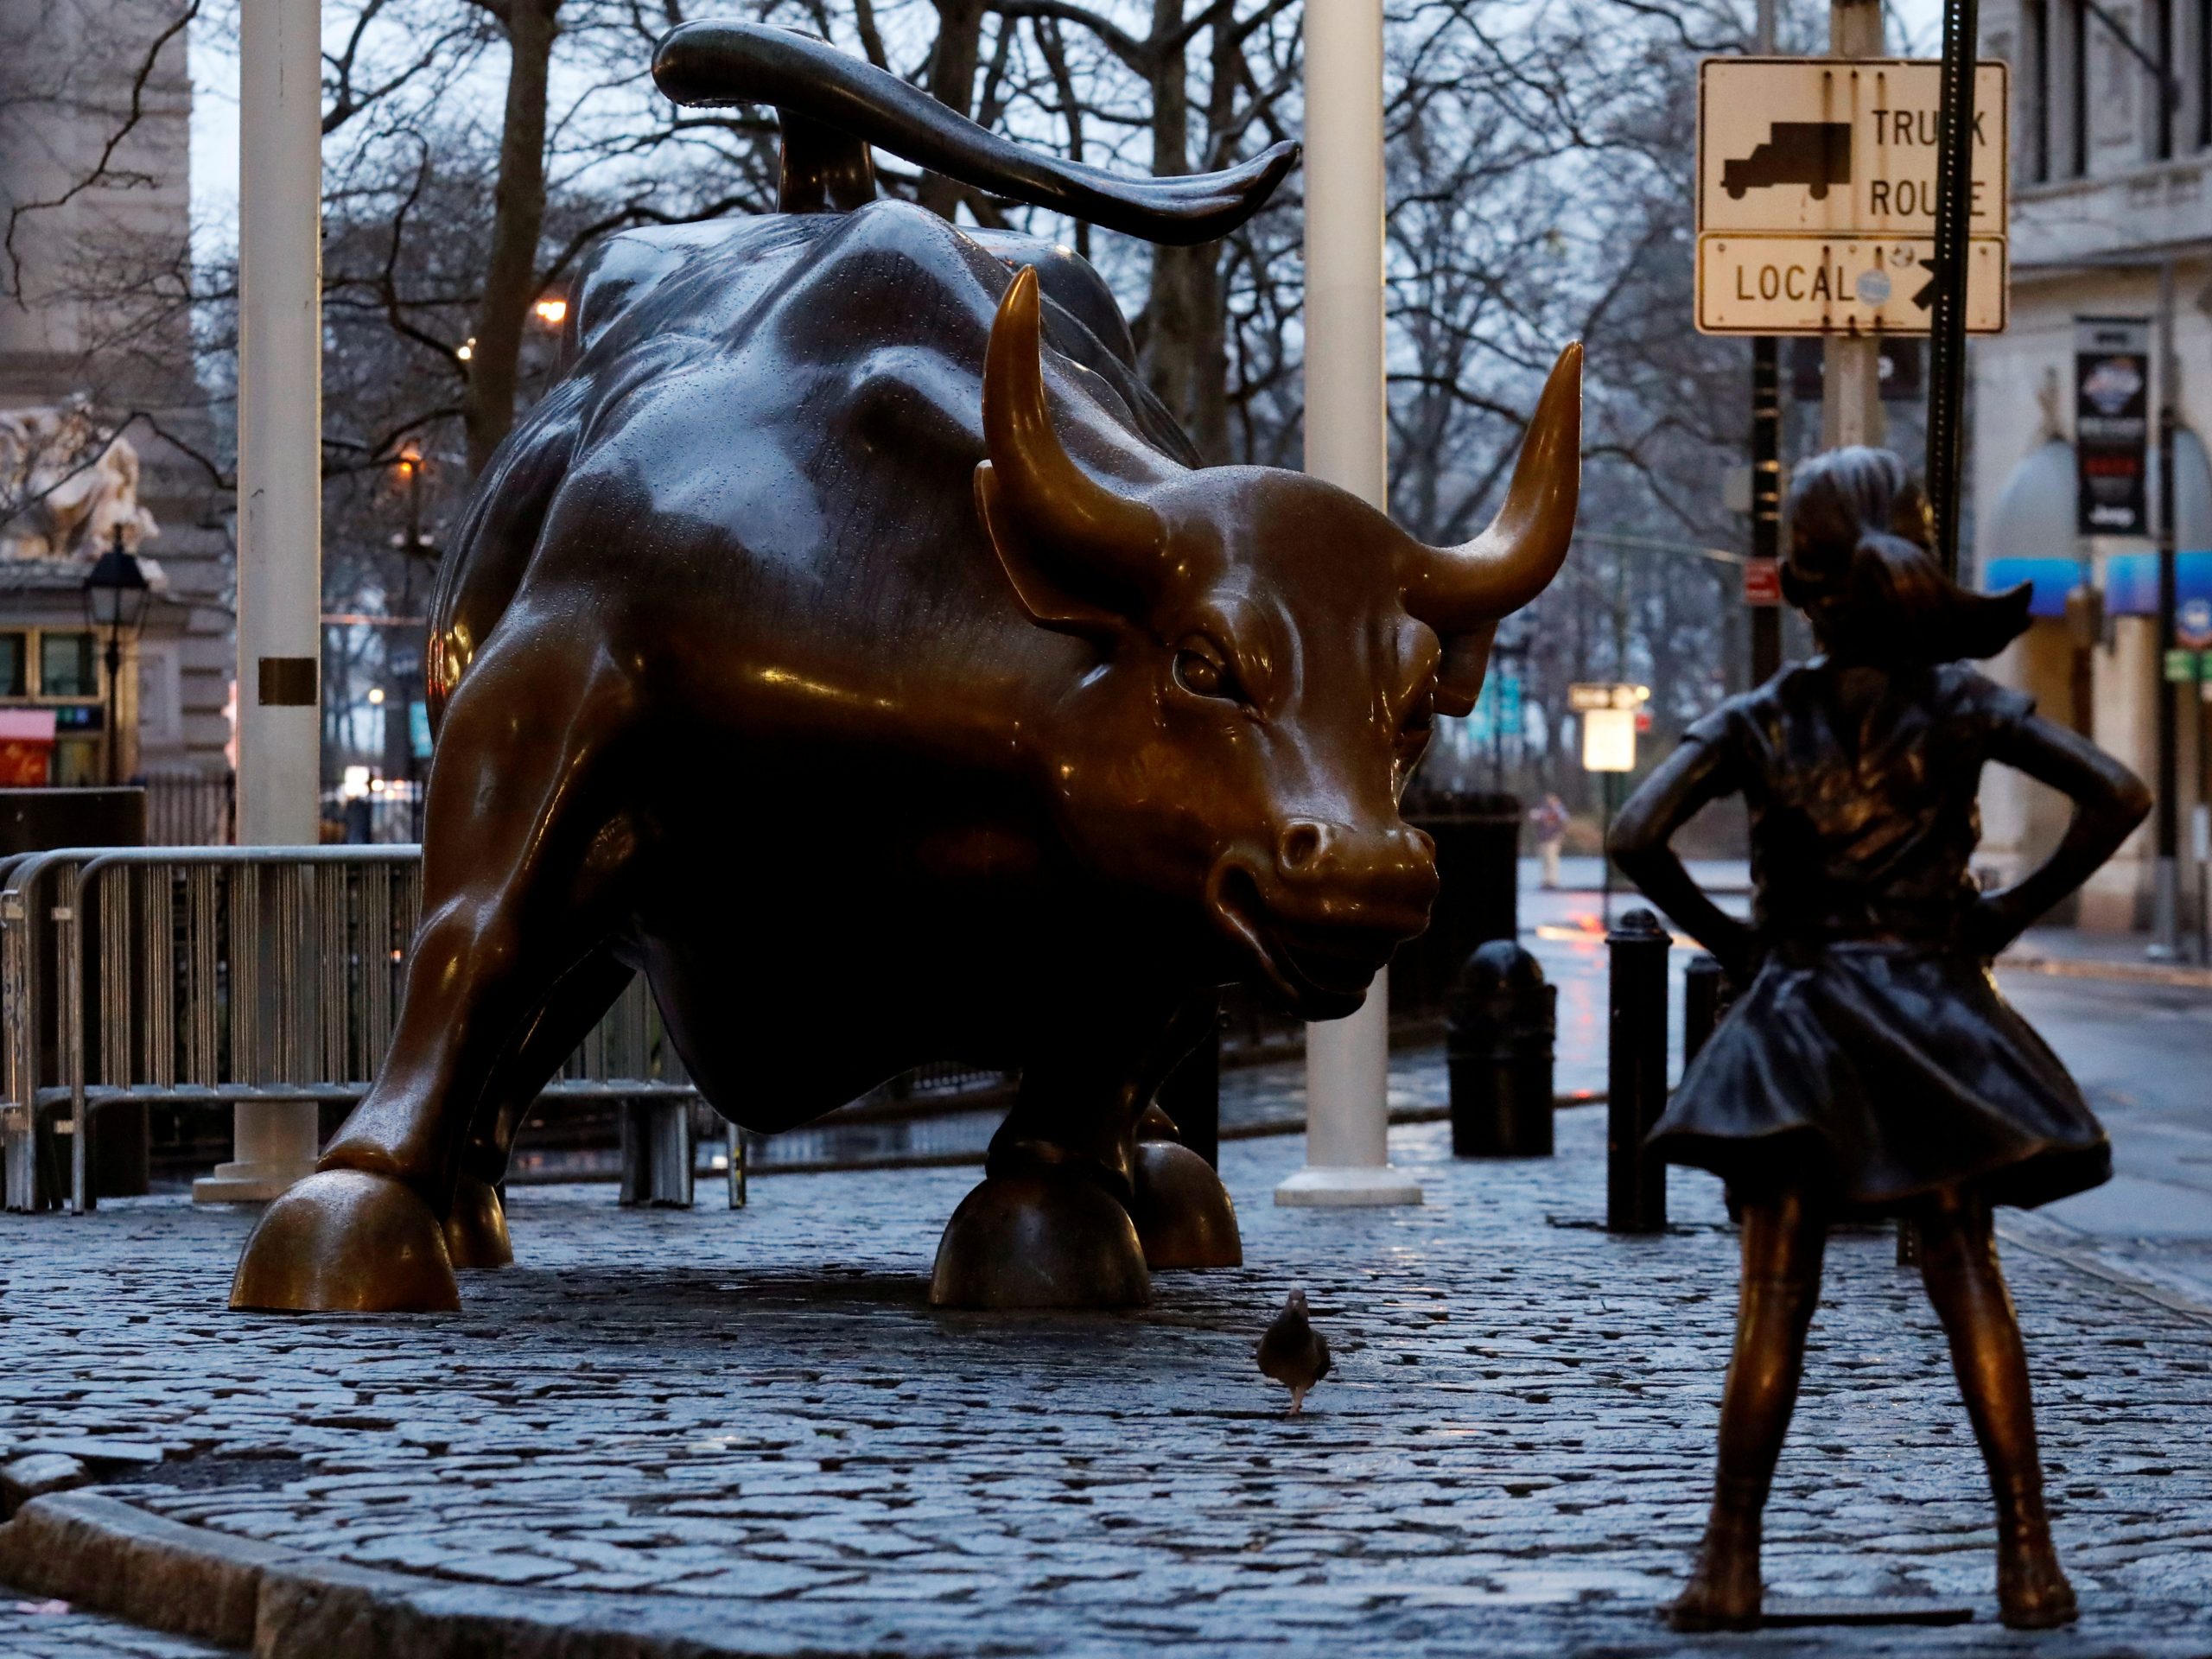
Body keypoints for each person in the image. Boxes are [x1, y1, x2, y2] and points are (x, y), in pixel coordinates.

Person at [1608, 448, 2150, 1633]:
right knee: (1968, 1280)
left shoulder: (1765, 716)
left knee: (1774, 1301)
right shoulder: (1961, 704)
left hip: (1796, 1019)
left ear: (1799, 582)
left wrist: (1741, 945)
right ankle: (2029, 1564)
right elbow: (2119, 792)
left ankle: (1729, 1567)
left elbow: (1637, 830)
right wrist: (2003, 913)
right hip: (1931, 1014)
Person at [1529, 791, 1568, 888]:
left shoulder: (1559, 811)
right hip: (1542, 839)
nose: (1550, 802)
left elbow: (1564, 819)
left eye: (1552, 800)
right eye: (1548, 800)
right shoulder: (1542, 810)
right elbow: (1533, 817)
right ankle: (1545, 880)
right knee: (1544, 860)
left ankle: (1553, 880)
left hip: (1553, 839)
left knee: (1552, 860)